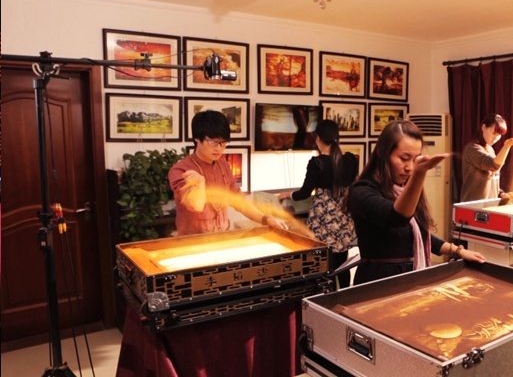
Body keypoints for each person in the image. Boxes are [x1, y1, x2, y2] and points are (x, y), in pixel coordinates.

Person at [347, 120, 486, 285]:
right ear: (382, 153)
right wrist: (420, 173)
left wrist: (457, 251)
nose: (410, 168)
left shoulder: (403, 188)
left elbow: (418, 234)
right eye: (404, 158)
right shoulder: (362, 191)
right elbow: (395, 218)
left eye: (415, 160)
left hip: (410, 278)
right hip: (378, 283)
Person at [169, 111, 289, 236]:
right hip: (193, 241)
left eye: (223, 142)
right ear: (197, 138)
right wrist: (200, 184)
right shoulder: (180, 170)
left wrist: (266, 219)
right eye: (212, 142)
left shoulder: (224, 166)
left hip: (223, 237)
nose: (218, 148)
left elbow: (239, 201)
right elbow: (196, 206)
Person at [278, 119, 359, 288]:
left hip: (324, 220)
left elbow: (304, 193)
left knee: (323, 263)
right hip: (344, 217)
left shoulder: (317, 163)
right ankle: (345, 295)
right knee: (342, 264)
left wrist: (287, 194)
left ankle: (325, 297)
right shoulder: (350, 159)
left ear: (318, 139)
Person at [460, 113, 513, 203]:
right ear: (483, 127)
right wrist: (506, 147)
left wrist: (501, 194)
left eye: (499, 135)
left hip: (489, 205)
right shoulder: (472, 148)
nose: (496, 138)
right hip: (472, 206)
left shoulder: (490, 149)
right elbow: (493, 165)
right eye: (494, 133)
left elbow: (492, 178)